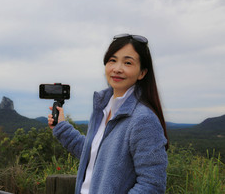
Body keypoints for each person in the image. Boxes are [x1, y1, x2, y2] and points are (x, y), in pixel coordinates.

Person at [48, 34, 169, 194]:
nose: (117, 68)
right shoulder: (103, 109)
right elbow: (94, 154)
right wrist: (62, 127)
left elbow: (152, 185)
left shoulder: (143, 119)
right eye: (112, 60)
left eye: (127, 62)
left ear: (142, 73)